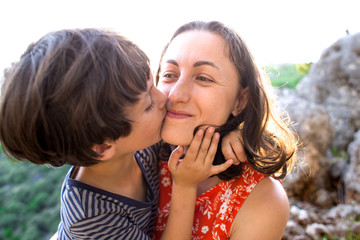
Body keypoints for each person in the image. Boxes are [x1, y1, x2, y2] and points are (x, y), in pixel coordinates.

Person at [0, 28, 239, 240]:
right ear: (102, 147)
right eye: (147, 104)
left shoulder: (134, 143)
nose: (165, 98)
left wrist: (231, 131)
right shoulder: (91, 218)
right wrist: (185, 187)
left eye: (153, 84)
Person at [153, 21, 298, 240]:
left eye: (203, 78)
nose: (175, 94)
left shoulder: (260, 200)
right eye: (169, 74)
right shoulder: (138, 152)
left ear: (240, 100)